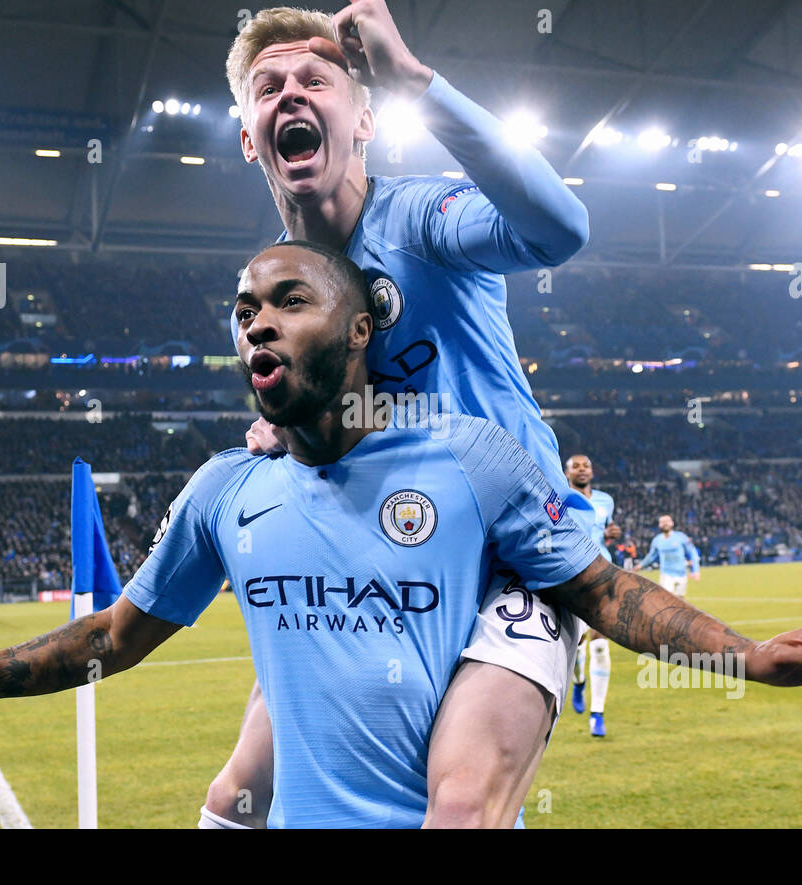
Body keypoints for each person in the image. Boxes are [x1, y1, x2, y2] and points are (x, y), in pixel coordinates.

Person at [0, 243, 802, 828]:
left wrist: (750, 657)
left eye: (286, 297)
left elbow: (610, 597)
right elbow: (106, 638)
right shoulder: (221, 495)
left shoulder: (470, 462)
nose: (255, 320)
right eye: (243, 308)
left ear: (360, 325)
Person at [209, 1, 595, 827]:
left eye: (318, 79)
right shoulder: (271, 299)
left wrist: (420, 80)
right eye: (269, 86)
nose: (292, 95)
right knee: (238, 799)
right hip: (380, 574)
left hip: (509, 563)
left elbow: (562, 229)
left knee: (457, 806)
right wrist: (284, 435)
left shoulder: (424, 218)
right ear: (249, 137)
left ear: (365, 119)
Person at [563, 455, 615, 737]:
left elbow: (603, 530)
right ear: (566, 472)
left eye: (586, 466)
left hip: (602, 573)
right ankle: (579, 681)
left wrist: (611, 533)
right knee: (576, 648)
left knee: (599, 645)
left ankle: (598, 714)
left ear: (592, 471)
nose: (582, 469)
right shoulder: (558, 497)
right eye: (576, 466)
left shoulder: (606, 500)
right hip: (570, 577)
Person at [635, 515, 700, 598]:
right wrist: (641, 565)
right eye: (662, 522)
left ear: (672, 523)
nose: (665, 523)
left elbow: (692, 552)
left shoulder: (681, 537)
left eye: (667, 521)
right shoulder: (657, 540)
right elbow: (651, 556)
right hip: (666, 574)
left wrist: (696, 570)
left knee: (680, 601)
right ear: (659, 525)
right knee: (667, 599)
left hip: (682, 574)